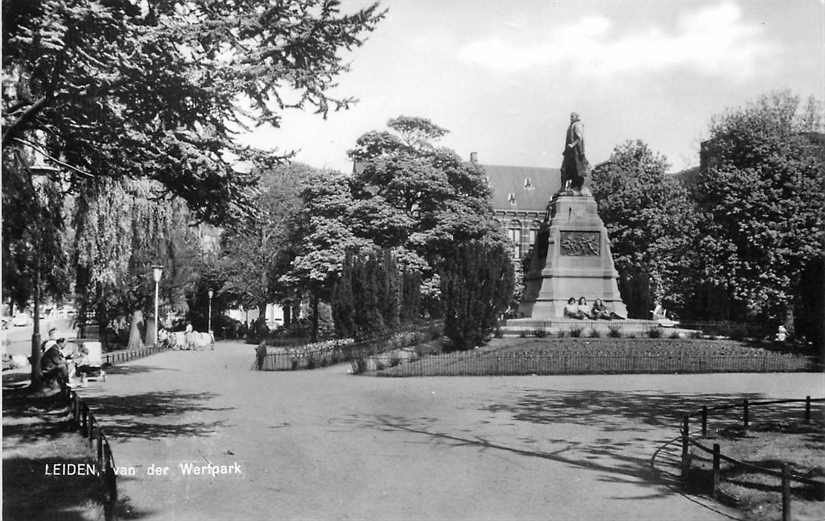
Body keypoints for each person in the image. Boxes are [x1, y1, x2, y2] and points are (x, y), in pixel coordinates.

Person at [561, 112, 590, 194]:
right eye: (570, 116)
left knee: (577, 170)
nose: (570, 118)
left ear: (576, 117)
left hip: (576, 152)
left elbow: (579, 137)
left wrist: (572, 145)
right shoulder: (571, 126)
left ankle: (577, 187)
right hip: (569, 153)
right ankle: (564, 188)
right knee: (564, 170)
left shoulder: (577, 125)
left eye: (572, 116)